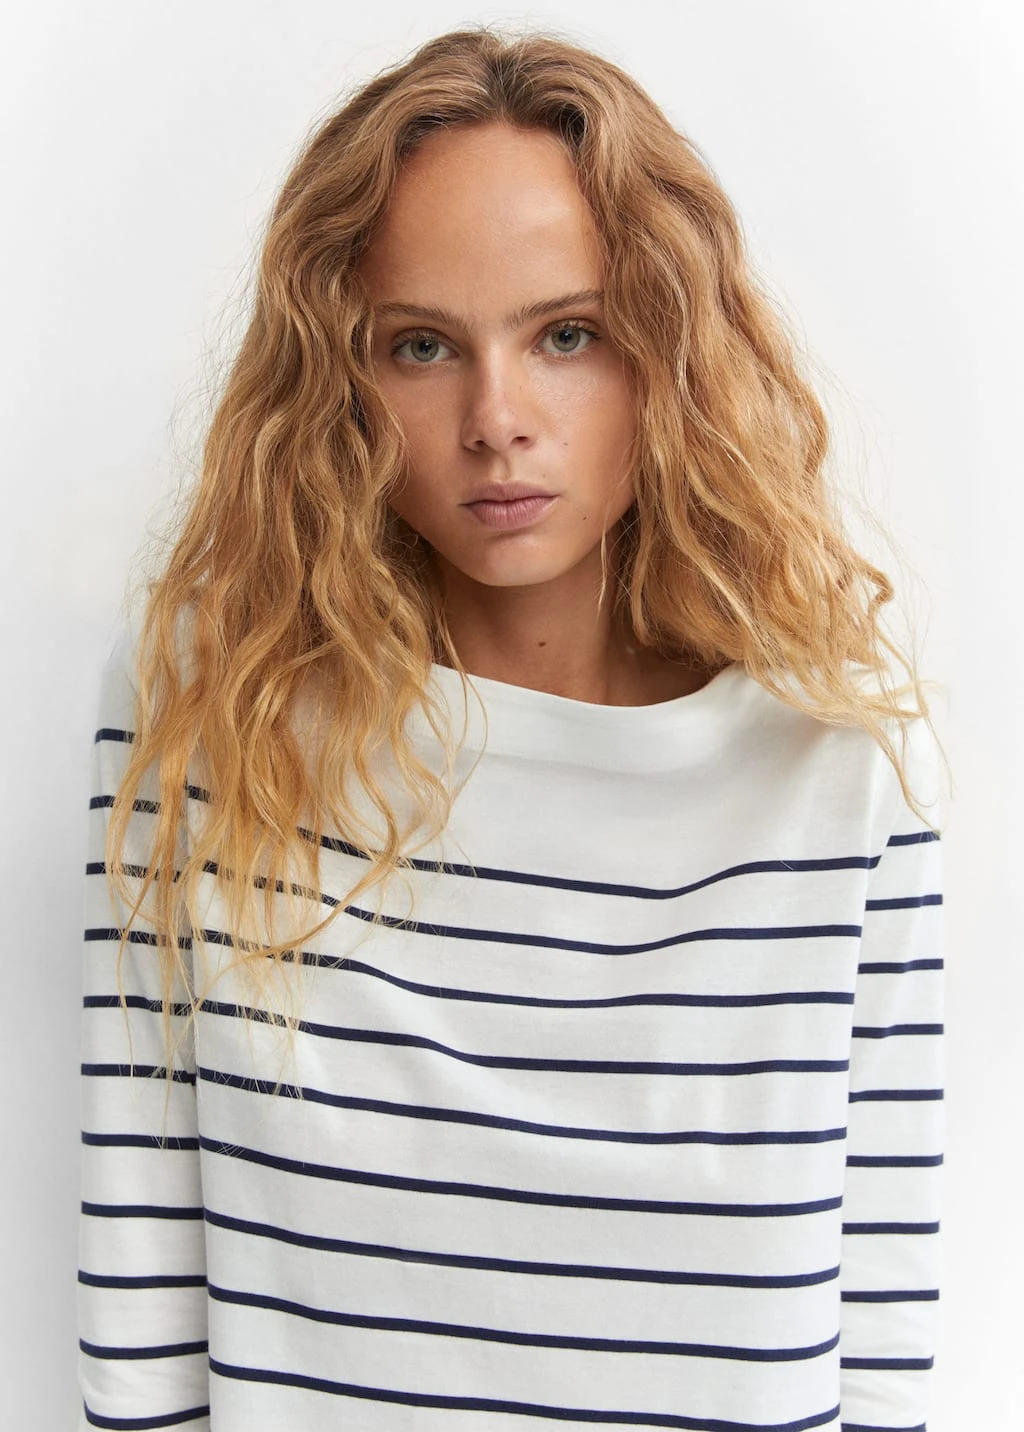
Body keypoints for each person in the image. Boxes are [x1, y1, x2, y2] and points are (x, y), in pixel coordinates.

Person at [78, 25, 947, 1432]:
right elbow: (141, 1285)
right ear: (339, 381)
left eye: (567, 334)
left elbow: (882, 1336)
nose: (498, 420)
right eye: (421, 346)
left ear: (669, 349)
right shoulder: (214, 704)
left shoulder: (836, 758)